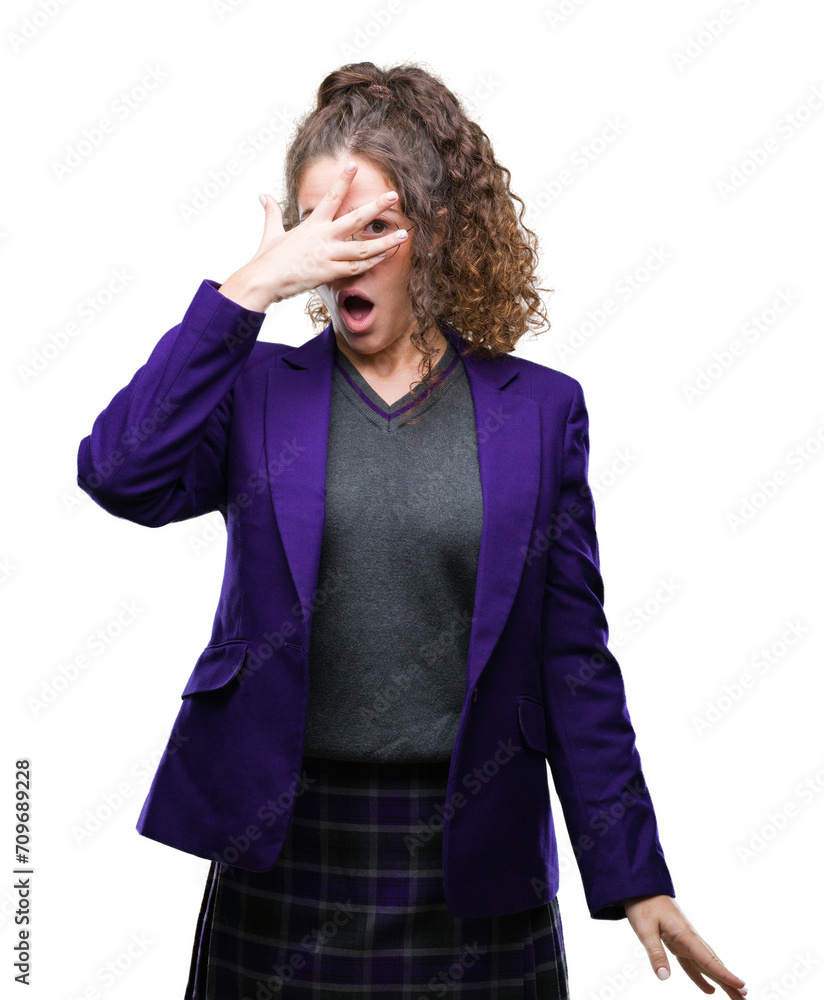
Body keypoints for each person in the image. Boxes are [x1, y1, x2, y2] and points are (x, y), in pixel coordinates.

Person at [76, 62, 748, 999]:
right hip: (286, 864)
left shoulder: (541, 412)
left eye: (375, 227)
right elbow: (119, 472)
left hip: (477, 869)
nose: (345, 256)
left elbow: (573, 661)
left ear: (436, 235)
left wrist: (636, 877)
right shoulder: (256, 389)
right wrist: (250, 289)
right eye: (321, 230)